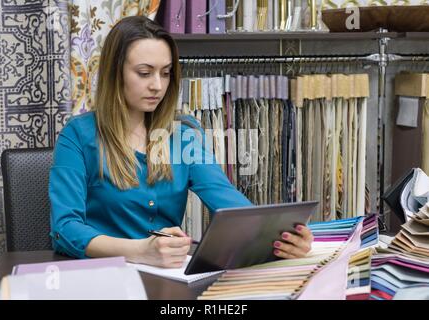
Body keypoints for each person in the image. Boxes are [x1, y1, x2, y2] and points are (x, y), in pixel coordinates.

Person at [49, 16, 313, 268]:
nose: (157, 86)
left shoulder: (184, 133)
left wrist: (279, 236)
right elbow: (65, 229)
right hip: (103, 278)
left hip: (167, 278)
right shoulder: (78, 136)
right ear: (115, 74)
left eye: (165, 73)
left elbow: (227, 201)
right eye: (144, 73)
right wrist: (140, 251)